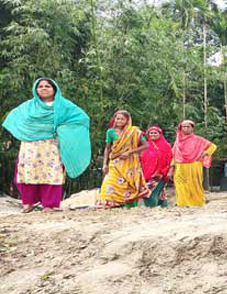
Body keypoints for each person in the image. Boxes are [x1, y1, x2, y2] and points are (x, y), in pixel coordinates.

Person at [2, 78, 91, 212]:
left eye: (47, 86)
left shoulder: (64, 106)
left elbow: (82, 118)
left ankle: (49, 205)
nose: (44, 88)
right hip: (30, 145)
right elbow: (13, 118)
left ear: (54, 89)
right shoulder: (28, 106)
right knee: (28, 172)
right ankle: (28, 203)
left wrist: (62, 130)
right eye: (40, 86)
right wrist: (23, 132)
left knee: (52, 173)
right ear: (35, 90)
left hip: (52, 145)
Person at [96, 110, 150, 209]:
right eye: (117, 119)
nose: (119, 121)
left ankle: (128, 205)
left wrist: (129, 152)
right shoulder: (110, 132)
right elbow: (107, 148)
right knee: (109, 182)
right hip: (115, 162)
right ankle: (108, 204)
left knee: (128, 184)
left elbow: (145, 146)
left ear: (127, 120)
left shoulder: (134, 132)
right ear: (114, 120)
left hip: (130, 162)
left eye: (122, 119)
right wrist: (105, 164)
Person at [168, 120, 216, 207]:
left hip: (194, 165)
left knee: (194, 185)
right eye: (183, 127)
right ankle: (182, 204)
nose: (185, 129)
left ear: (192, 128)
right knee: (179, 185)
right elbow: (174, 155)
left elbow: (213, 146)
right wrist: (171, 169)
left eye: (188, 127)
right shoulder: (177, 141)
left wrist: (206, 153)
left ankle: (197, 203)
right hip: (179, 166)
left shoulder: (198, 139)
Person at [141, 126, 172, 208]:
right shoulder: (145, 145)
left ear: (160, 134)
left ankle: (152, 207)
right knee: (160, 192)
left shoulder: (166, 146)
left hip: (161, 173)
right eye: (151, 133)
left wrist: (170, 171)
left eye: (155, 133)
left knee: (149, 192)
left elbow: (170, 159)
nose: (153, 134)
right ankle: (163, 207)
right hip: (147, 173)